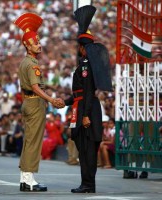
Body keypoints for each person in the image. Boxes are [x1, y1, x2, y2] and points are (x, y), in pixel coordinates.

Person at [63, 5, 113, 193]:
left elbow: (87, 90)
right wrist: (64, 102)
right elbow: (79, 93)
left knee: (87, 150)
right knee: (85, 149)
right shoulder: (86, 65)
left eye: (80, 47)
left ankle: (88, 184)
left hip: (87, 109)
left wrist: (85, 115)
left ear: (83, 48)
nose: (79, 50)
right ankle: (87, 183)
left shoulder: (85, 66)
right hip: (85, 106)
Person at [13, 12, 64, 192]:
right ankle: (29, 180)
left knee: (29, 141)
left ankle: (24, 178)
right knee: (34, 142)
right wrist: (51, 100)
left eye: (39, 41)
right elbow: (35, 87)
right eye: (35, 42)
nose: (39, 44)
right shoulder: (32, 64)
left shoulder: (24, 62)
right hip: (35, 104)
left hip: (28, 103)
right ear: (27, 45)